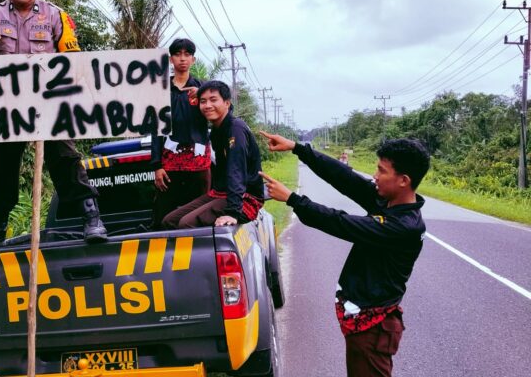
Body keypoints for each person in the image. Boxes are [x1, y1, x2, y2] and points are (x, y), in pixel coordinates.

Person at [259, 132, 430, 377]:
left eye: (382, 171)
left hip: (373, 328)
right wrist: (298, 148)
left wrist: (293, 199)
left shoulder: (404, 226)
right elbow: (344, 177)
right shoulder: (387, 202)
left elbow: (341, 223)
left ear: (403, 180)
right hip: (362, 321)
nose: (375, 176)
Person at [0, 0, 107, 248]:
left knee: (66, 159)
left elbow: (72, 56)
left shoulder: (55, 15)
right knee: (3, 167)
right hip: (8, 105)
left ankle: (91, 218)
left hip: (49, 103)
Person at [162, 80, 264, 229]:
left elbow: (236, 170)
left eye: (213, 100)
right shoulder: (217, 130)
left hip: (244, 199)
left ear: (227, 103)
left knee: (186, 223)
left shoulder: (235, 129)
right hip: (220, 193)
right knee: (169, 221)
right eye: (203, 101)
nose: (207, 105)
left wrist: (233, 212)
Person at [150, 38, 212, 228]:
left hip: (199, 166)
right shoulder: (160, 89)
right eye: (178, 54)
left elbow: (226, 111)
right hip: (170, 167)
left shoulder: (204, 89)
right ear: (170, 59)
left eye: (187, 54)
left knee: (200, 217)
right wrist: (157, 166)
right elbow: (155, 129)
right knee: (164, 218)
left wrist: (202, 95)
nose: (182, 59)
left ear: (193, 59)